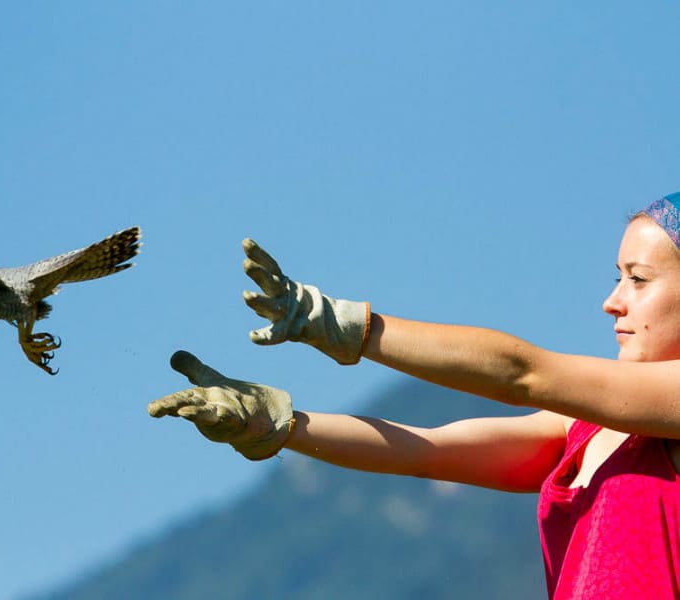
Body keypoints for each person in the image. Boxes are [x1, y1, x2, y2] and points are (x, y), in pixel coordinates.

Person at [148, 192, 680, 599]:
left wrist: (339, 324)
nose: (612, 302)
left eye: (638, 279)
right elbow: (425, 450)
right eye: (617, 277)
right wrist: (276, 426)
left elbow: (524, 375)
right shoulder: (580, 432)